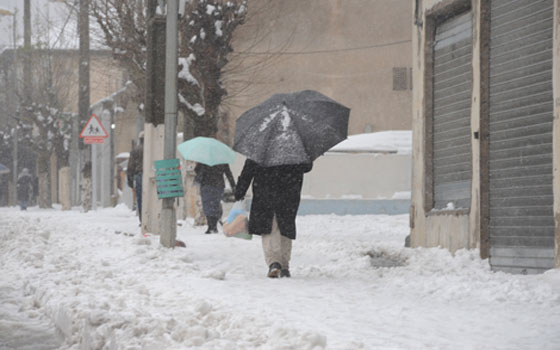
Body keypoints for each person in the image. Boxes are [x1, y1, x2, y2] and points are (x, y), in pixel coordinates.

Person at [234, 159, 313, 278]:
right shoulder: (294, 149)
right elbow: (306, 167)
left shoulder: (260, 149)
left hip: (265, 192)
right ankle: (285, 266)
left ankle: (274, 262)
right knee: (285, 228)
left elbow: (248, 171)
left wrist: (240, 190)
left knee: (269, 228)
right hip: (289, 193)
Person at [194, 162, 236, 234]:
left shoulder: (204, 158)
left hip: (206, 184)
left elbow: (197, 170)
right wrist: (233, 186)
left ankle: (211, 226)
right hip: (218, 184)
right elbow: (228, 172)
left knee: (207, 205)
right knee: (215, 204)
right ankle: (214, 226)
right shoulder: (222, 159)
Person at [127, 132, 144, 224]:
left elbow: (131, 166)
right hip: (153, 175)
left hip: (139, 175)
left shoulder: (135, 150)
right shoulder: (153, 147)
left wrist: (130, 179)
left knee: (140, 198)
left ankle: (142, 220)